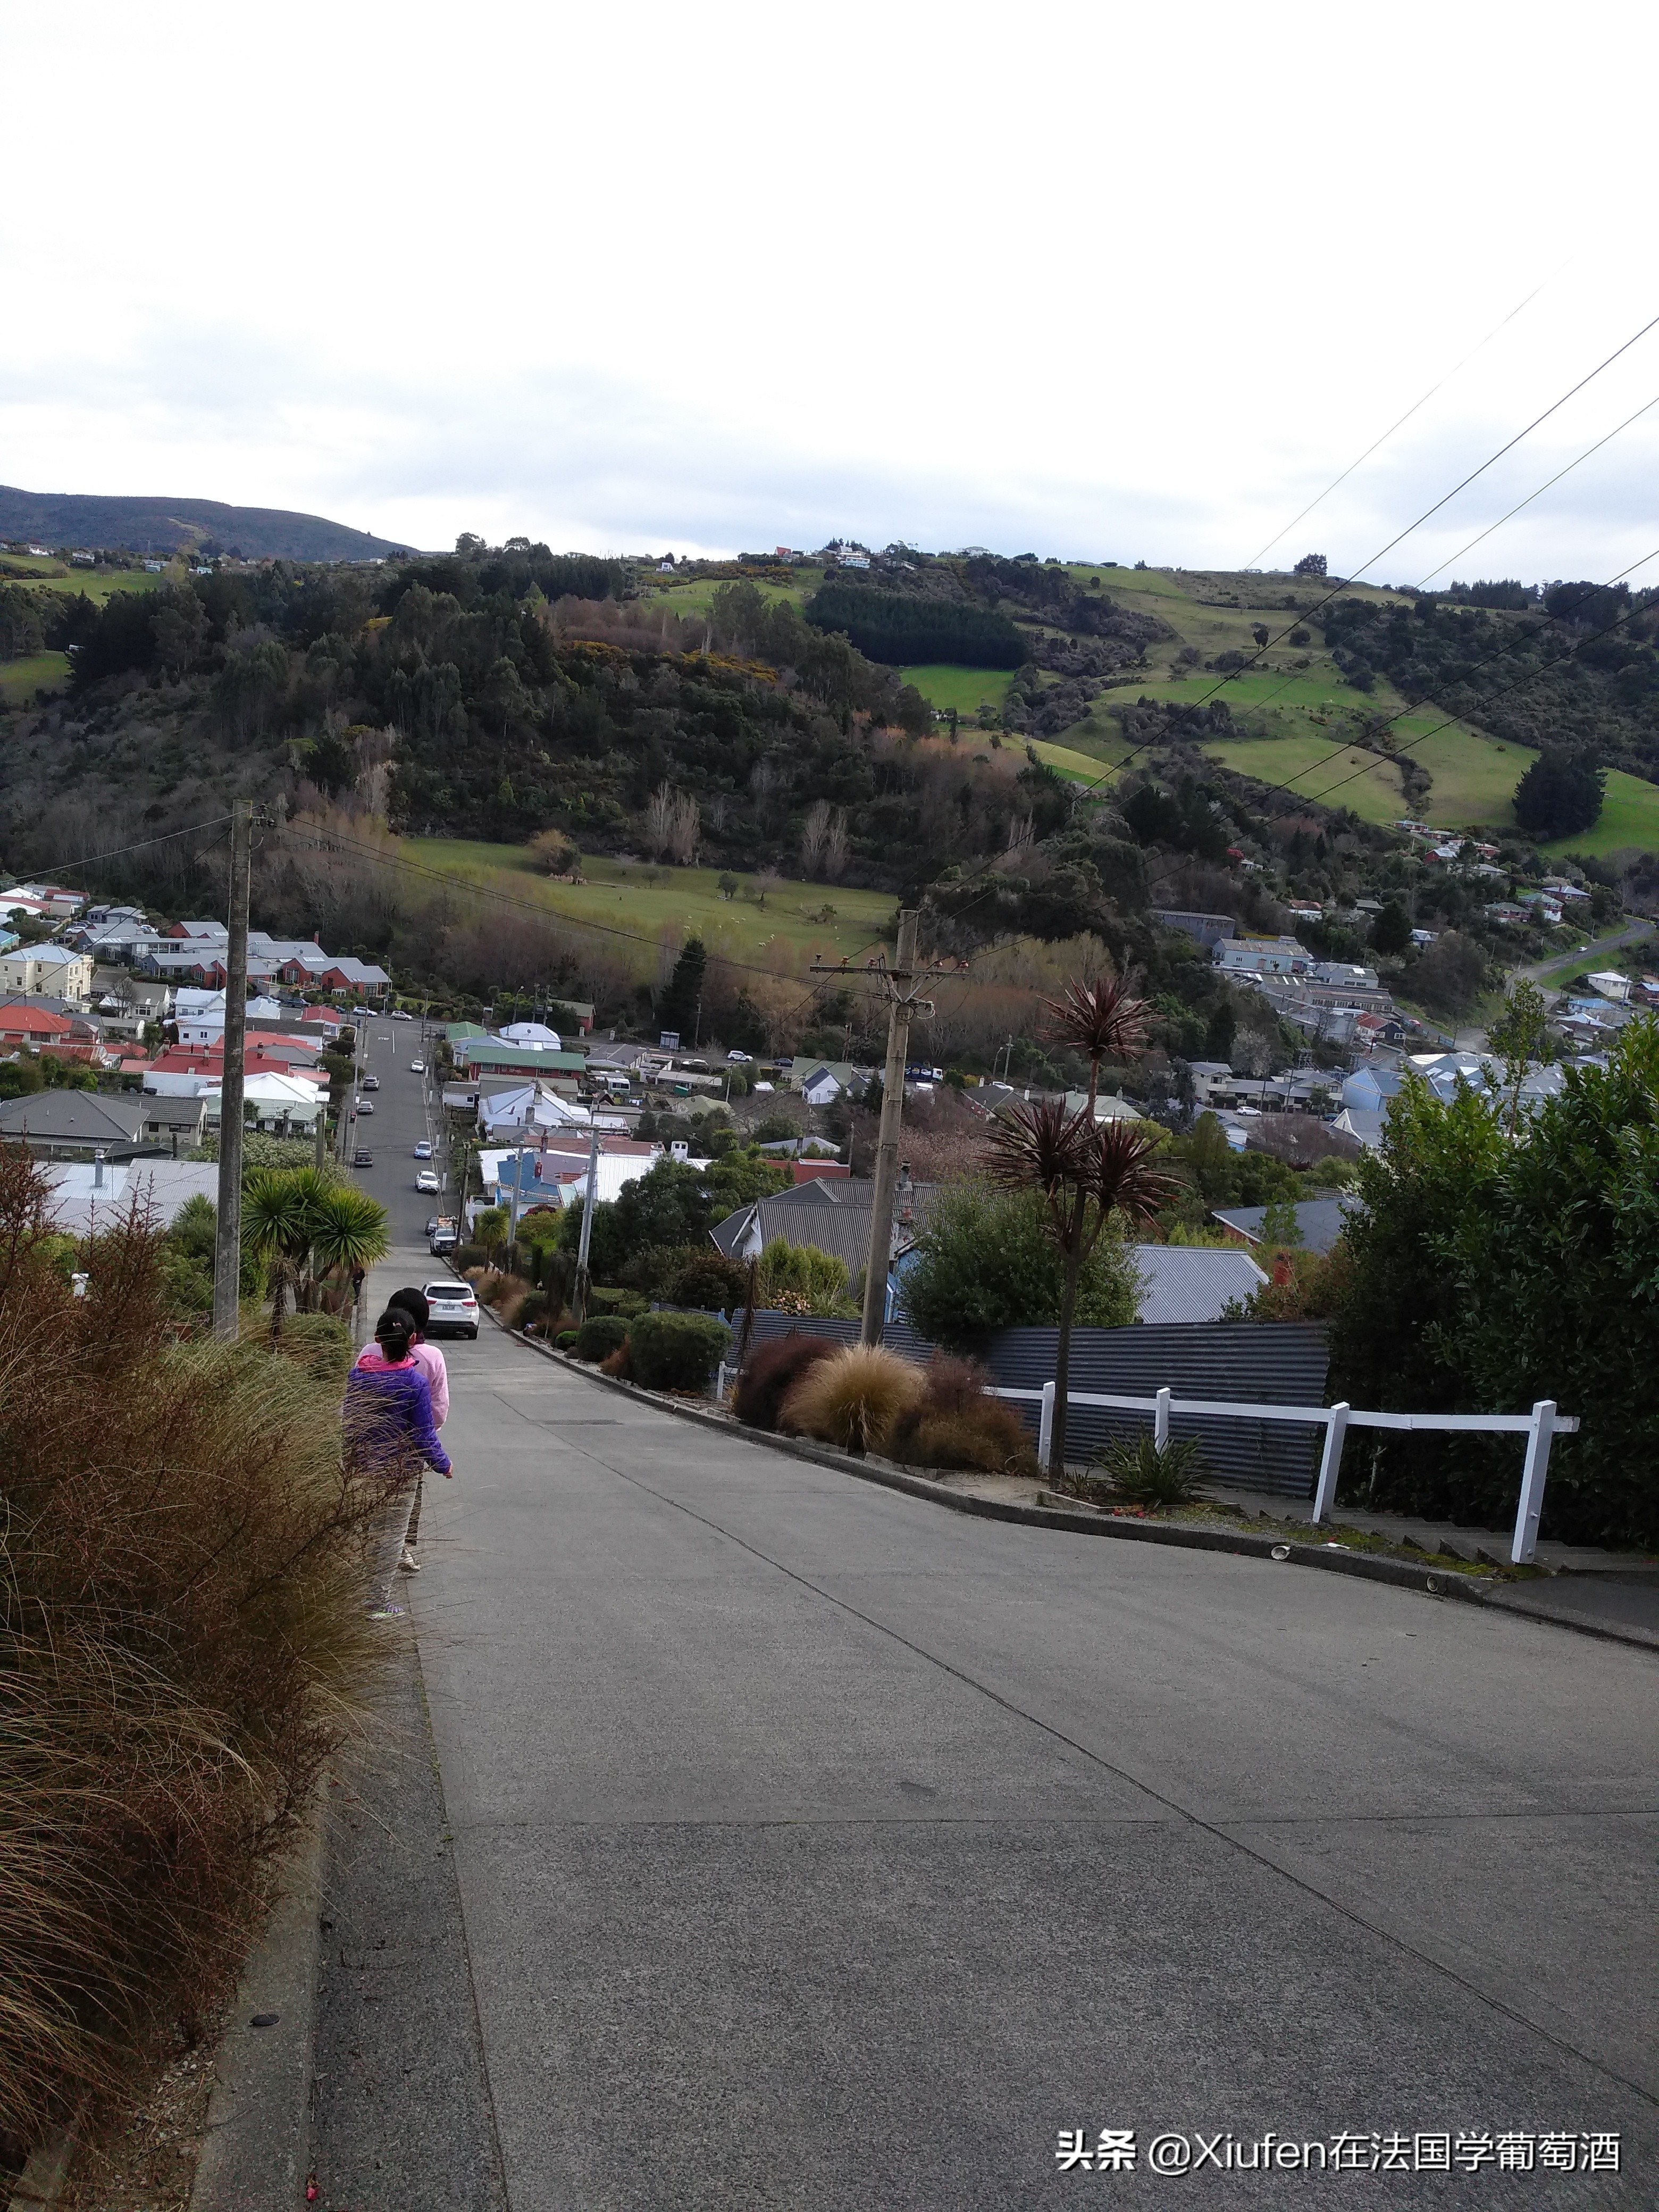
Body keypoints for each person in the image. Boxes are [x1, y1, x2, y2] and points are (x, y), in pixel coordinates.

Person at [344, 1308, 451, 1619]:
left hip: (363, 1467)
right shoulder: (414, 1383)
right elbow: (423, 1435)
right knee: (391, 1536)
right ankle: (377, 1603)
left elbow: (350, 1424)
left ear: (377, 1340)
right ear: (413, 1340)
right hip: (399, 1472)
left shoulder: (358, 1376)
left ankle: (360, 1592)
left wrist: (347, 1460)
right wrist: (443, 1464)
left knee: (368, 1530)